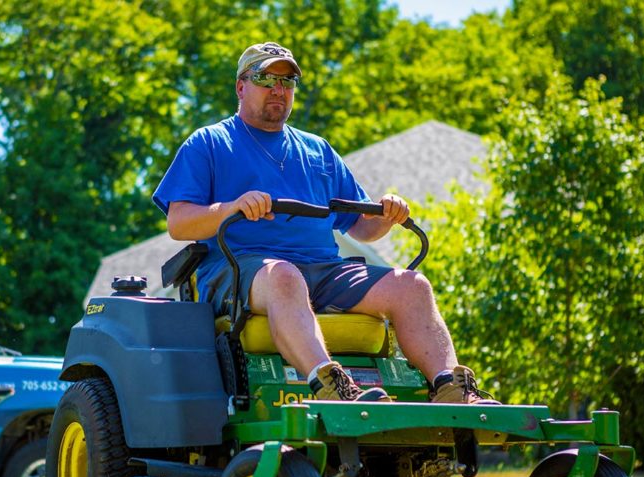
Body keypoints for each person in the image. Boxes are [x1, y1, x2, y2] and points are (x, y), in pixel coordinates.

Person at [153, 42, 496, 405]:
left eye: (287, 82)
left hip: (324, 272)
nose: (278, 89)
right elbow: (179, 223)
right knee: (285, 276)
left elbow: (361, 228)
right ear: (241, 86)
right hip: (242, 271)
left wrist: (387, 214)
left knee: (412, 285)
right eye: (265, 78)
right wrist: (232, 208)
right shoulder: (209, 143)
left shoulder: (317, 150)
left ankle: (451, 389)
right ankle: (331, 385)